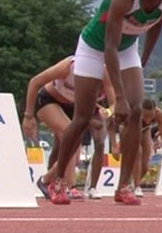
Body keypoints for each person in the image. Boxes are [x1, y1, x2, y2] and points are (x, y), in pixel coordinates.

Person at [50, 0, 162, 205]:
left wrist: (142, 61)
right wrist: (117, 98)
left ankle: (124, 186)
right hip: (95, 48)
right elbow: (109, 46)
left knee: (135, 113)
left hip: (127, 48)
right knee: (82, 117)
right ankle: (58, 182)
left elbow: (156, 28)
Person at [21, 55, 117, 201]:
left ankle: (47, 180)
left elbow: (115, 104)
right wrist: (28, 116)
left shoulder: (105, 74)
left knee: (72, 145)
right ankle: (68, 186)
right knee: (70, 134)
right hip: (49, 101)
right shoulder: (68, 67)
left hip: (75, 107)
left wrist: (108, 112)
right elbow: (34, 82)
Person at [116, 98, 162, 197]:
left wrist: (161, 141)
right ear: (141, 111)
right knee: (137, 152)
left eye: (150, 116)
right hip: (130, 130)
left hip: (145, 130)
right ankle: (137, 187)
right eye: (145, 116)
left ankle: (130, 184)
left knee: (145, 166)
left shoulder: (159, 114)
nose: (148, 119)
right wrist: (119, 145)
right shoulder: (133, 113)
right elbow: (122, 128)